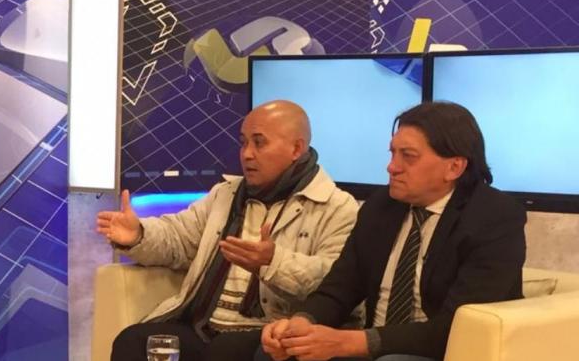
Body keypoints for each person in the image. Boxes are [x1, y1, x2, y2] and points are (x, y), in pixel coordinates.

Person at [259, 101, 526, 361]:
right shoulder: (382, 206)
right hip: (375, 346)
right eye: (392, 153)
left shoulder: (494, 217)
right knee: (277, 353)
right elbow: (339, 288)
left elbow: (457, 326)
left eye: (408, 156)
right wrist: (302, 323)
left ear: (454, 167)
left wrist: (349, 342)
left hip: (445, 350)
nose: (392, 167)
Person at [97, 100, 360, 361]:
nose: (247, 154)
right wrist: (139, 235)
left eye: (259, 143)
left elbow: (337, 285)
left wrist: (273, 262)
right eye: (244, 143)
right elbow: (179, 237)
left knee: (227, 351)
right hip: (202, 326)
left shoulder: (336, 207)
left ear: (296, 149)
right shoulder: (226, 194)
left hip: (270, 332)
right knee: (133, 341)